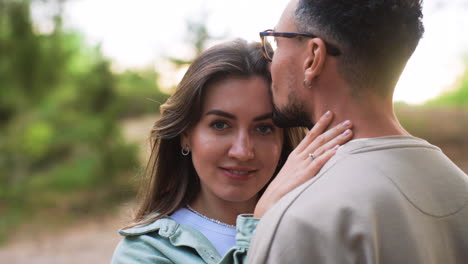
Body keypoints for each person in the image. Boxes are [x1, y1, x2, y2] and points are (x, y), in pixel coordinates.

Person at [247, 0, 468, 263]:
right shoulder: (459, 187)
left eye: (276, 43)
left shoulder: (302, 219)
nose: (270, 64)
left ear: (312, 57)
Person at [111, 39, 353, 264]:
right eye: (220, 125)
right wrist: (261, 227)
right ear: (186, 135)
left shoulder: (317, 231)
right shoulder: (145, 252)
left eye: (263, 128)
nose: (242, 151)